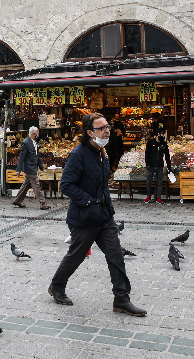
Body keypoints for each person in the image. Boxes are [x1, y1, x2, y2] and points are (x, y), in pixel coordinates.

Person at [49, 113, 146, 317]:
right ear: (90, 132)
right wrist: (89, 201)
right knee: (76, 256)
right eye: (102, 128)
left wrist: (107, 207)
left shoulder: (102, 152)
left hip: (104, 217)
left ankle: (121, 299)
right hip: (84, 219)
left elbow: (102, 185)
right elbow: (66, 185)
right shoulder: (79, 154)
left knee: (116, 256)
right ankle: (56, 286)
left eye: (107, 126)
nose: (107, 130)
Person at [12, 127, 50, 210]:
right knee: (36, 186)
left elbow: (37, 156)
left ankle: (17, 200)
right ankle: (43, 204)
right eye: (37, 133)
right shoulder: (25, 142)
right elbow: (21, 157)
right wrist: (18, 170)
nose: (38, 134)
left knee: (25, 185)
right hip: (29, 168)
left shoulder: (34, 142)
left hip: (33, 167)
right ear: (34, 133)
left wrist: (41, 166)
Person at [144, 127, 171, 204]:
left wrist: (169, 167)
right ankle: (148, 196)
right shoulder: (150, 142)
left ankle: (158, 197)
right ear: (158, 134)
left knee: (159, 182)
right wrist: (148, 164)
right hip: (151, 166)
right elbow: (147, 154)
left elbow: (167, 155)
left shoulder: (164, 144)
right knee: (149, 182)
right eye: (163, 134)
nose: (164, 136)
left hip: (160, 165)